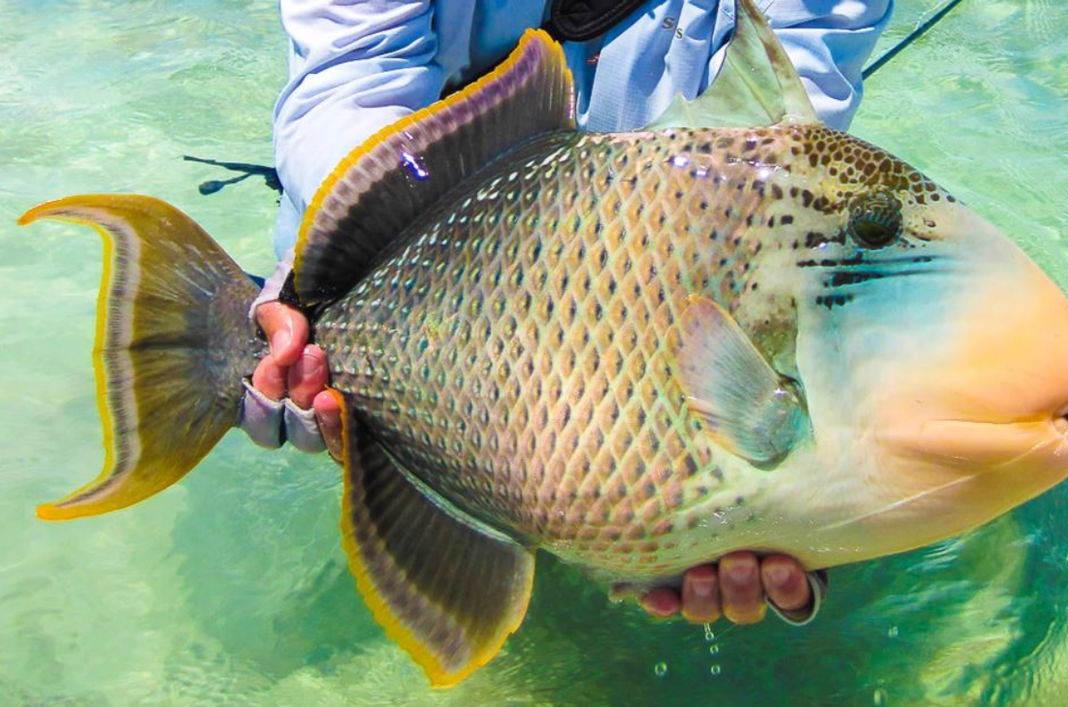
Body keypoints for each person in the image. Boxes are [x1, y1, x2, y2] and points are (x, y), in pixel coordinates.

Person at [243, 0, 892, 627]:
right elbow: (355, 73)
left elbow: (784, 163)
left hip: (662, 294)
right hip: (435, 258)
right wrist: (343, 275)